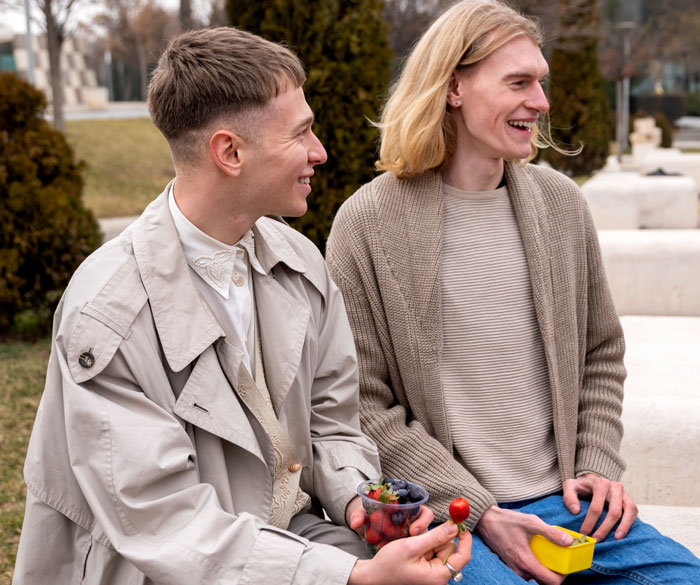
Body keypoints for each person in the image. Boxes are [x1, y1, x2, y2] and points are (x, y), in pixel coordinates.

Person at [12, 27, 470, 585]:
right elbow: (168, 527)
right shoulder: (107, 315)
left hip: (285, 539)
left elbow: (333, 421)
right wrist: (352, 578)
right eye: (301, 133)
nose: (319, 152)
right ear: (230, 152)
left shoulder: (300, 264)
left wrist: (361, 503)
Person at [326, 1, 700, 584]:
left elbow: (601, 351)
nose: (542, 102)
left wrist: (598, 466)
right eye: (519, 82)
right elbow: (362, 404)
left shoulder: (561, 206)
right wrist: (480, 511)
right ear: (454, 88)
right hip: (449, 518)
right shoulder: (367, 223)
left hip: (569, 511)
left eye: (541, 83)